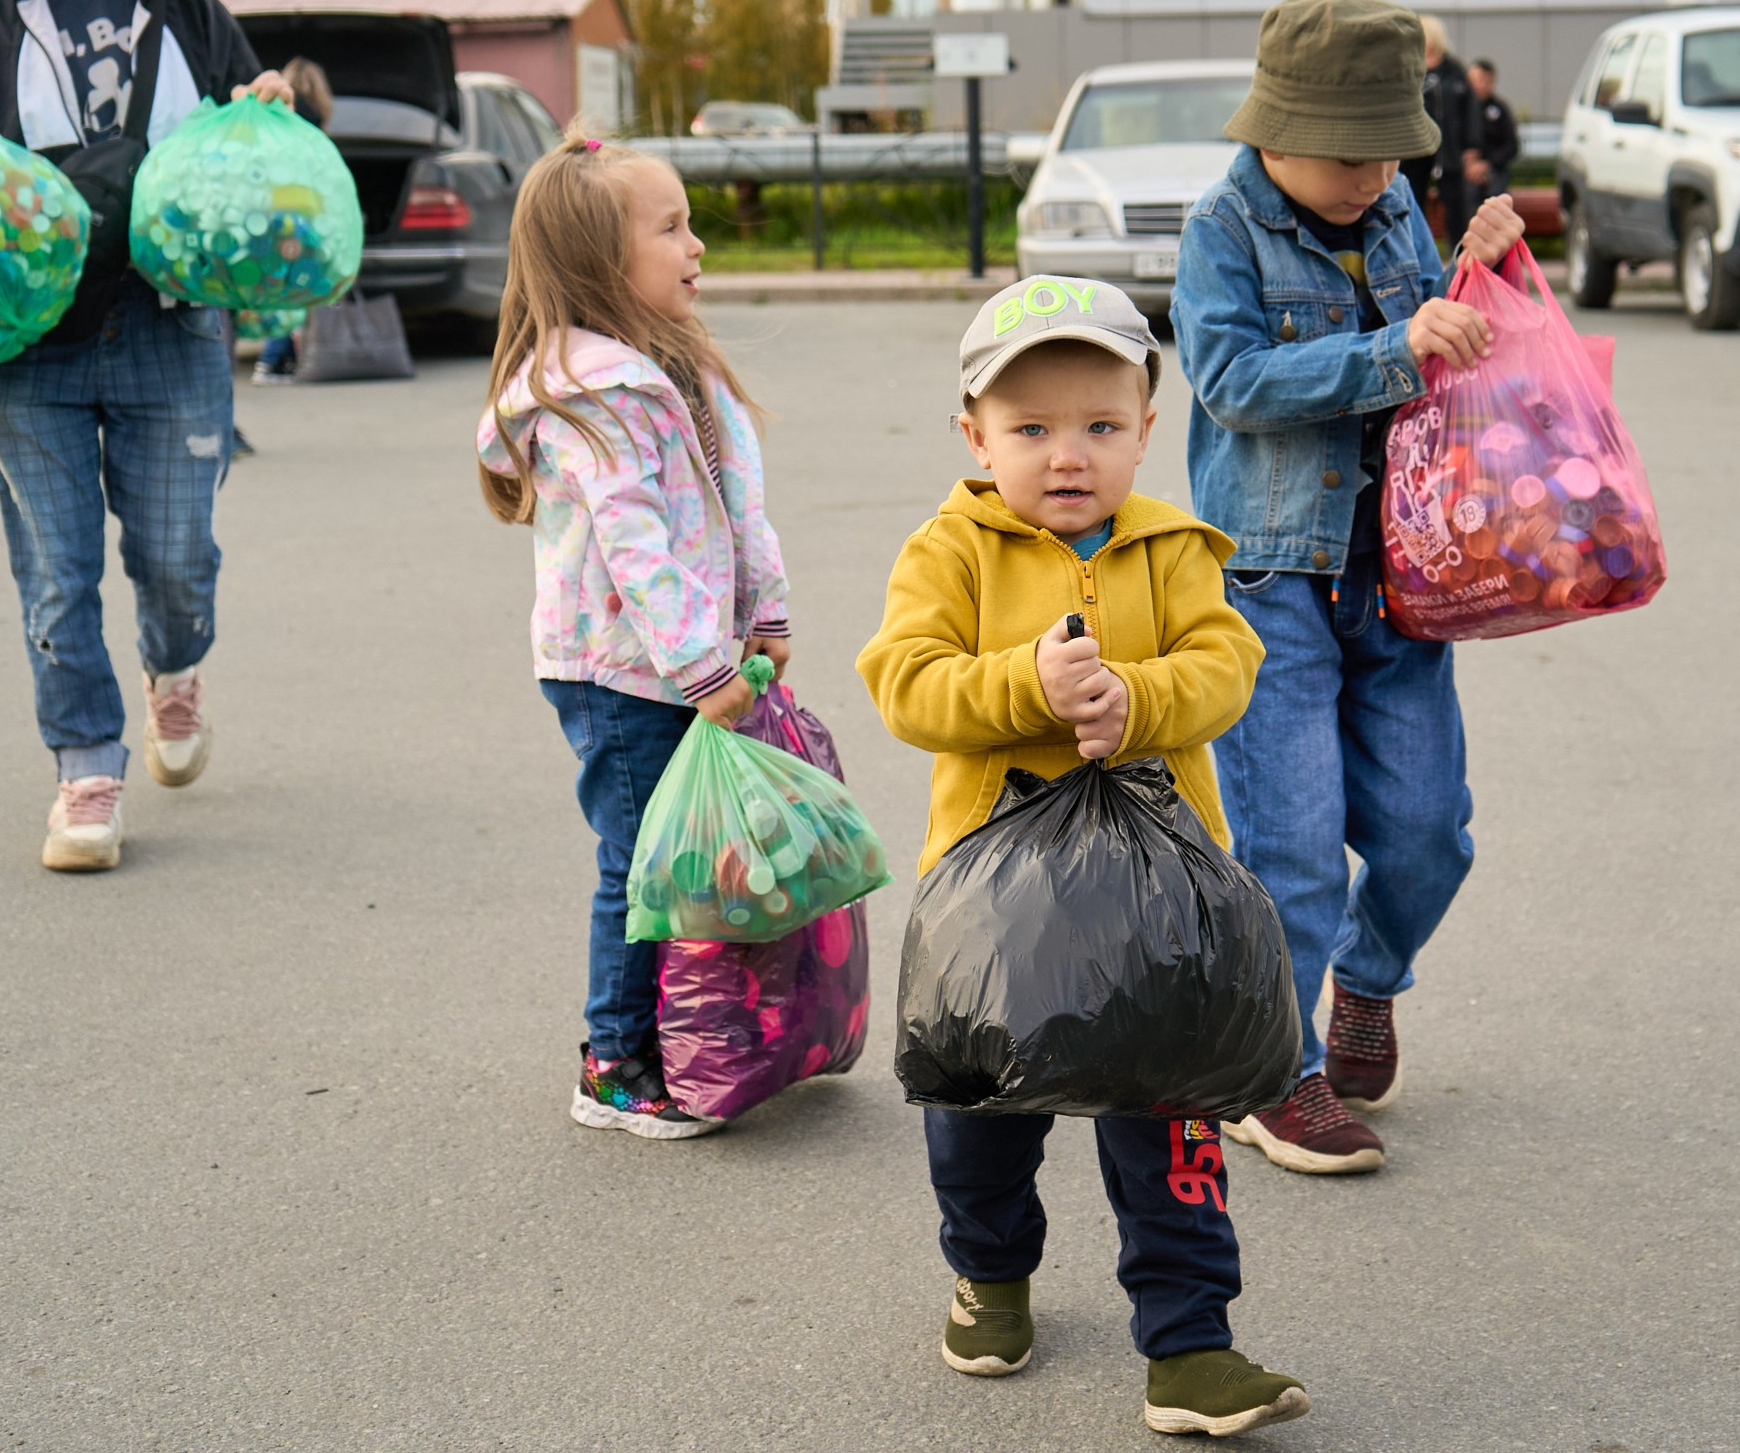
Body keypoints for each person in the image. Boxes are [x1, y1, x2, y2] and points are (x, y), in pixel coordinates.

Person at [856, 276, 1309, 1438]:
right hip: (993, 915)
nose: (1070, 455)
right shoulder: (949, 547)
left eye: (1102, 426)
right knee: (978, 1116)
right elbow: (903, 679)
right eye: (1032, 428)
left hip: (1155, 916)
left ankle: (1191, 1341)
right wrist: (1025, 684)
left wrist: (1136, 699)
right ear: (975, 435)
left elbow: (1227, 662)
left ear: (1147, 430)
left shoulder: (1173, 547)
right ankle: (991, 1276)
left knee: (1175, 1118)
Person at [1171, 0, 1527, 1177]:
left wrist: (1475, 279)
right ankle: (1270, 1073)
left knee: (1431, 832)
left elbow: (1441, 355)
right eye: (1345, 151)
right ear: (1274, 125)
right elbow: (1228, 379)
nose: (1370, 174)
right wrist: (1395, 346)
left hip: (1399, 573)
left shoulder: (1388, 211)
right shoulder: (1221, 225)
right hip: (1271, 577)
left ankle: (1366, 988)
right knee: (1296, 849)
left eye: (1389, 152)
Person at [0, 0, 288, 872]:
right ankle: (85, 768)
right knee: (56, 573)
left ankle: (174, 668)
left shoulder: (190, 11)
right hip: (31, 345)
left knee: (176, 560)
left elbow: (249, 140)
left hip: (170, 330)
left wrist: (268, 100)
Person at [475, 134, 791, 1141]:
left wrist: (766, 613)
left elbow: (742, 505)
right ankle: (612, 1060)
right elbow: (634, 547)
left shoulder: (680, 365)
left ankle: (687, 1031)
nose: (696, 243)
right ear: (601, 263)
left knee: (682, 858)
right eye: (671, 227)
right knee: (638, 862)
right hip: (618, 672)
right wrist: (702, 664)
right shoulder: (587, 399)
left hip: (684, 661)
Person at [250, 57, 336, 386]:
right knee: (301, 287)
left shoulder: (275, 118)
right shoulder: (316, 124)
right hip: (305, 216)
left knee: (280, 285)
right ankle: (271, 358)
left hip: (275, 214)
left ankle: (277, 356)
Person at [1414, 14, 1480, 247]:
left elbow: (1470, 112)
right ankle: (1415, 255)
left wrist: (1471, 148)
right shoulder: (1411, 69)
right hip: (1415, 151)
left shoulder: (1454, 72)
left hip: (1449, 151)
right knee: (1413, 204)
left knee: (1455, 208)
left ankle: (1460, 258)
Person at [1465, 58, 1521, 202]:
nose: (1480, 85)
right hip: (1465, 171)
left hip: (1494, 170)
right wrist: (1468, 165)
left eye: (1486, 81)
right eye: (1477, 80)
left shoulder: (1500, 109)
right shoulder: (1459, 109)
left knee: (1497, 197)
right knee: (1465, 195)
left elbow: (1512, 146)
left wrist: (1487, 164)